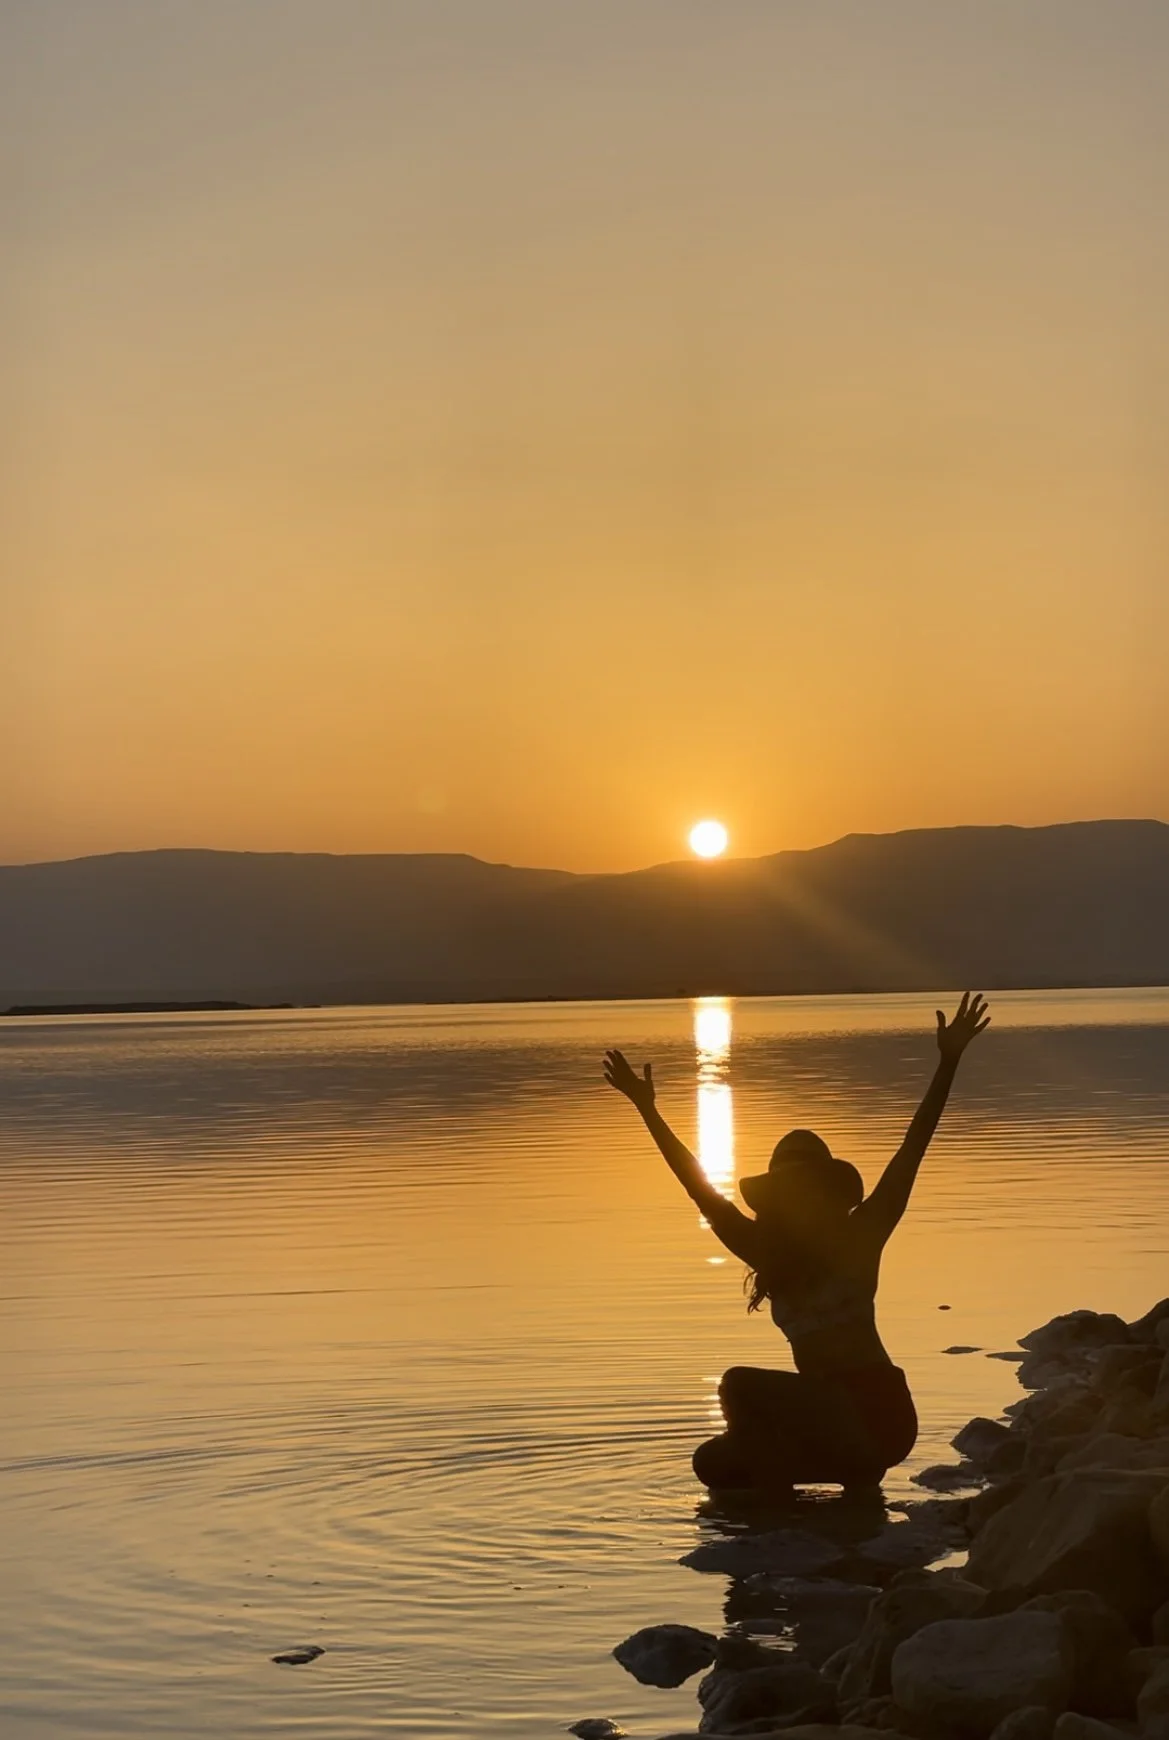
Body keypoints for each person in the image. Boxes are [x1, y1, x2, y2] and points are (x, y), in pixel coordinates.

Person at [603, 992, 991, 1493]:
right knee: (713, 1463)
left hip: (880, 1414)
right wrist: (646, 1108)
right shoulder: (763, 1249)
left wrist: (949, 1061)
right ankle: (827, 1490)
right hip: (826, 1419)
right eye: (791, 1189)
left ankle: (811, 1494)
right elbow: (696, 1186)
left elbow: (912, 1148)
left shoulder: (861, 1236)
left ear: (827, 1192)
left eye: (810, 1187)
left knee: (738, 1384)